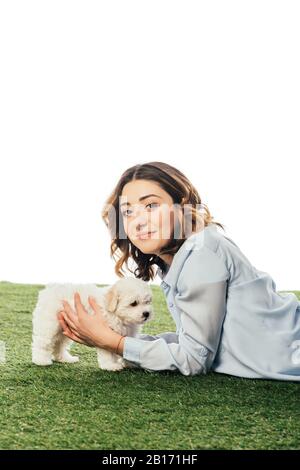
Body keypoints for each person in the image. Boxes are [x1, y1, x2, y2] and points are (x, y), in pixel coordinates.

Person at [58, 161, 300, 380]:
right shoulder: (180, 258)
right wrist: (119, 339)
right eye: (128, 212)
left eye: (151, 205)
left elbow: (193, 359)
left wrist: (112, 341)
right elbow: (194, 343)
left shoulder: (202, 255)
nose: (138, 221)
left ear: (181, 206)